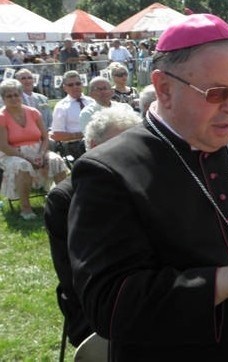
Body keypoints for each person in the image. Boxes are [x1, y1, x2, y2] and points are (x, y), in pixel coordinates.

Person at [67, 14, 228, 360]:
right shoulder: (108, 171)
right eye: (215, 92)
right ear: (164, 88)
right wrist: (223, 280)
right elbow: (109, 303)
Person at [44, 108, 141, 349]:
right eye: (118, 144)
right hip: (94, 306)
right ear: (93, 145)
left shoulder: (144, 185)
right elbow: (74, 275)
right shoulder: (65, 197)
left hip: (145, 295)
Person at [0, 79, 68, 219]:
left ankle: (63, 202)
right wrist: (28, 158)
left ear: (21, 95)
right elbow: (4, 146)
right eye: (9, 96)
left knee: (57, 160)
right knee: (23, 165)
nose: (14, 98)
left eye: (16, 94)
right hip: (12, 154)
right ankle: (25, 208)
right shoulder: (2, 117)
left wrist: (42, 153)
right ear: (3, 98)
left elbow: (45, 138)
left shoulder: (33, 112)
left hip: (39, 150)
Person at [50, 71, 95, 160]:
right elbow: (57, 135)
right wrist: (82, 135)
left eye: (78, 83)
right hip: (74, 145)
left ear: (82, 85)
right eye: (70, 85)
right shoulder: (61, 107)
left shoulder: (92, 102)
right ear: (65, 88)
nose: (75, 87)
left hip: (96, 141)